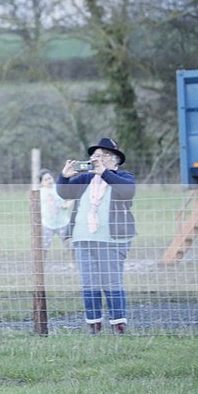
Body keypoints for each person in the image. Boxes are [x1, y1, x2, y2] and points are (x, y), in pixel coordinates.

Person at [56, 138, 136, 334]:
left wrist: (105, 173)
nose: (96, 160)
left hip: (112, 239)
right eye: (94, 156)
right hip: (83, 238)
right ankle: (94, 323)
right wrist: (64, 177)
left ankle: (118, 324)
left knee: (111, 281)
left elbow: (127, 191)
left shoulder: (123, 177)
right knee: (88, 282)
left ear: (114, 160)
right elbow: (64, 193)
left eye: (102, 156)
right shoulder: (85, 179)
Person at [38, 168, 74, 254]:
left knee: (70, 245)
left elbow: (72, 195)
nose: (48, 181)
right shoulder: (40, 192)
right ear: (42, 182)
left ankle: (76, 263)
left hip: (63, 223)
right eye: (45, 180)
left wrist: (68, 204)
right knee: (44, 247)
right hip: (48, 224)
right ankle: (40, 265)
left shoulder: (59, 188)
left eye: (49, 178)